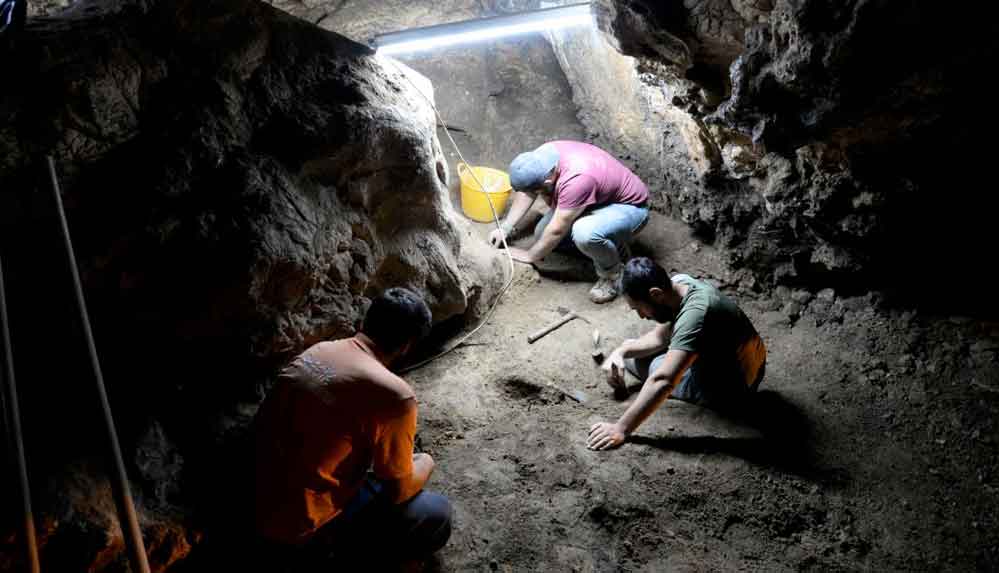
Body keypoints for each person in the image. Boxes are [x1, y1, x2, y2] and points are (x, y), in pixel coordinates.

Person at [253, 287, 451, 569]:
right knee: (434, 511)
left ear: (363, 323)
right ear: (407, 345)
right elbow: (398, 491)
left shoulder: (319, 350)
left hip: (252, 504)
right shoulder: (395, 395)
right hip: (300, 532)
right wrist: (427, 461)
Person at [587, 257, 767, 451]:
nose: (641, 316)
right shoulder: (679, 284)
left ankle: (711, 395)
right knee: (630, 349)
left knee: (651, 366)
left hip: (733, 387)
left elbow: (663, 381)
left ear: (655, 294)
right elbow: (660, 337)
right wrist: (620, 352)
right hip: (748, 362)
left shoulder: (695, 316)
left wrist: (620, 428)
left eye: (638, 308)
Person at [487, 140, 650, 303]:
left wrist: (530, 255)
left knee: (584, 233)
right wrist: (506, 228)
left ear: (547, 182)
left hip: (629, 207)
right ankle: (610, 247)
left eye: (539, 189)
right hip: (597, 199)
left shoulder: (577, 179)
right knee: (542, 234)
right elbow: (527, 190)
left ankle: (614, 274)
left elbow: (557, 229)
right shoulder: (541, 158)